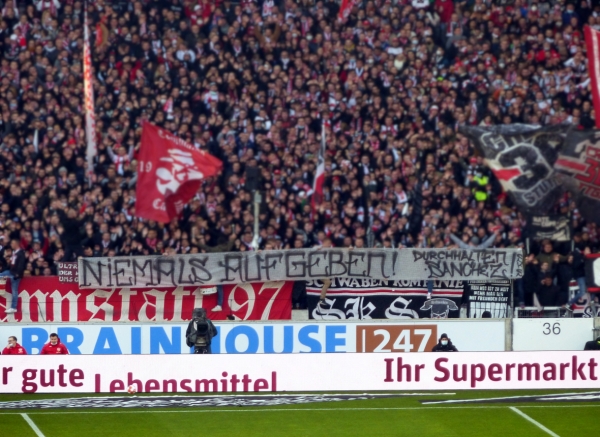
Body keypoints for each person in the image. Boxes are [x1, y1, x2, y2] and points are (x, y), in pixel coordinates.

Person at [0, 239, 26, 314]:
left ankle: (13, 307)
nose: (11, 245)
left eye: (12, 243)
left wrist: (17, 275)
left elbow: (21, 265)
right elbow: (13, 264)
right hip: (11, 272)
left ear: (16, 244)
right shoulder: (15, 253)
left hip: (15, 274)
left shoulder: (21, 253)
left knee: (14, 291)